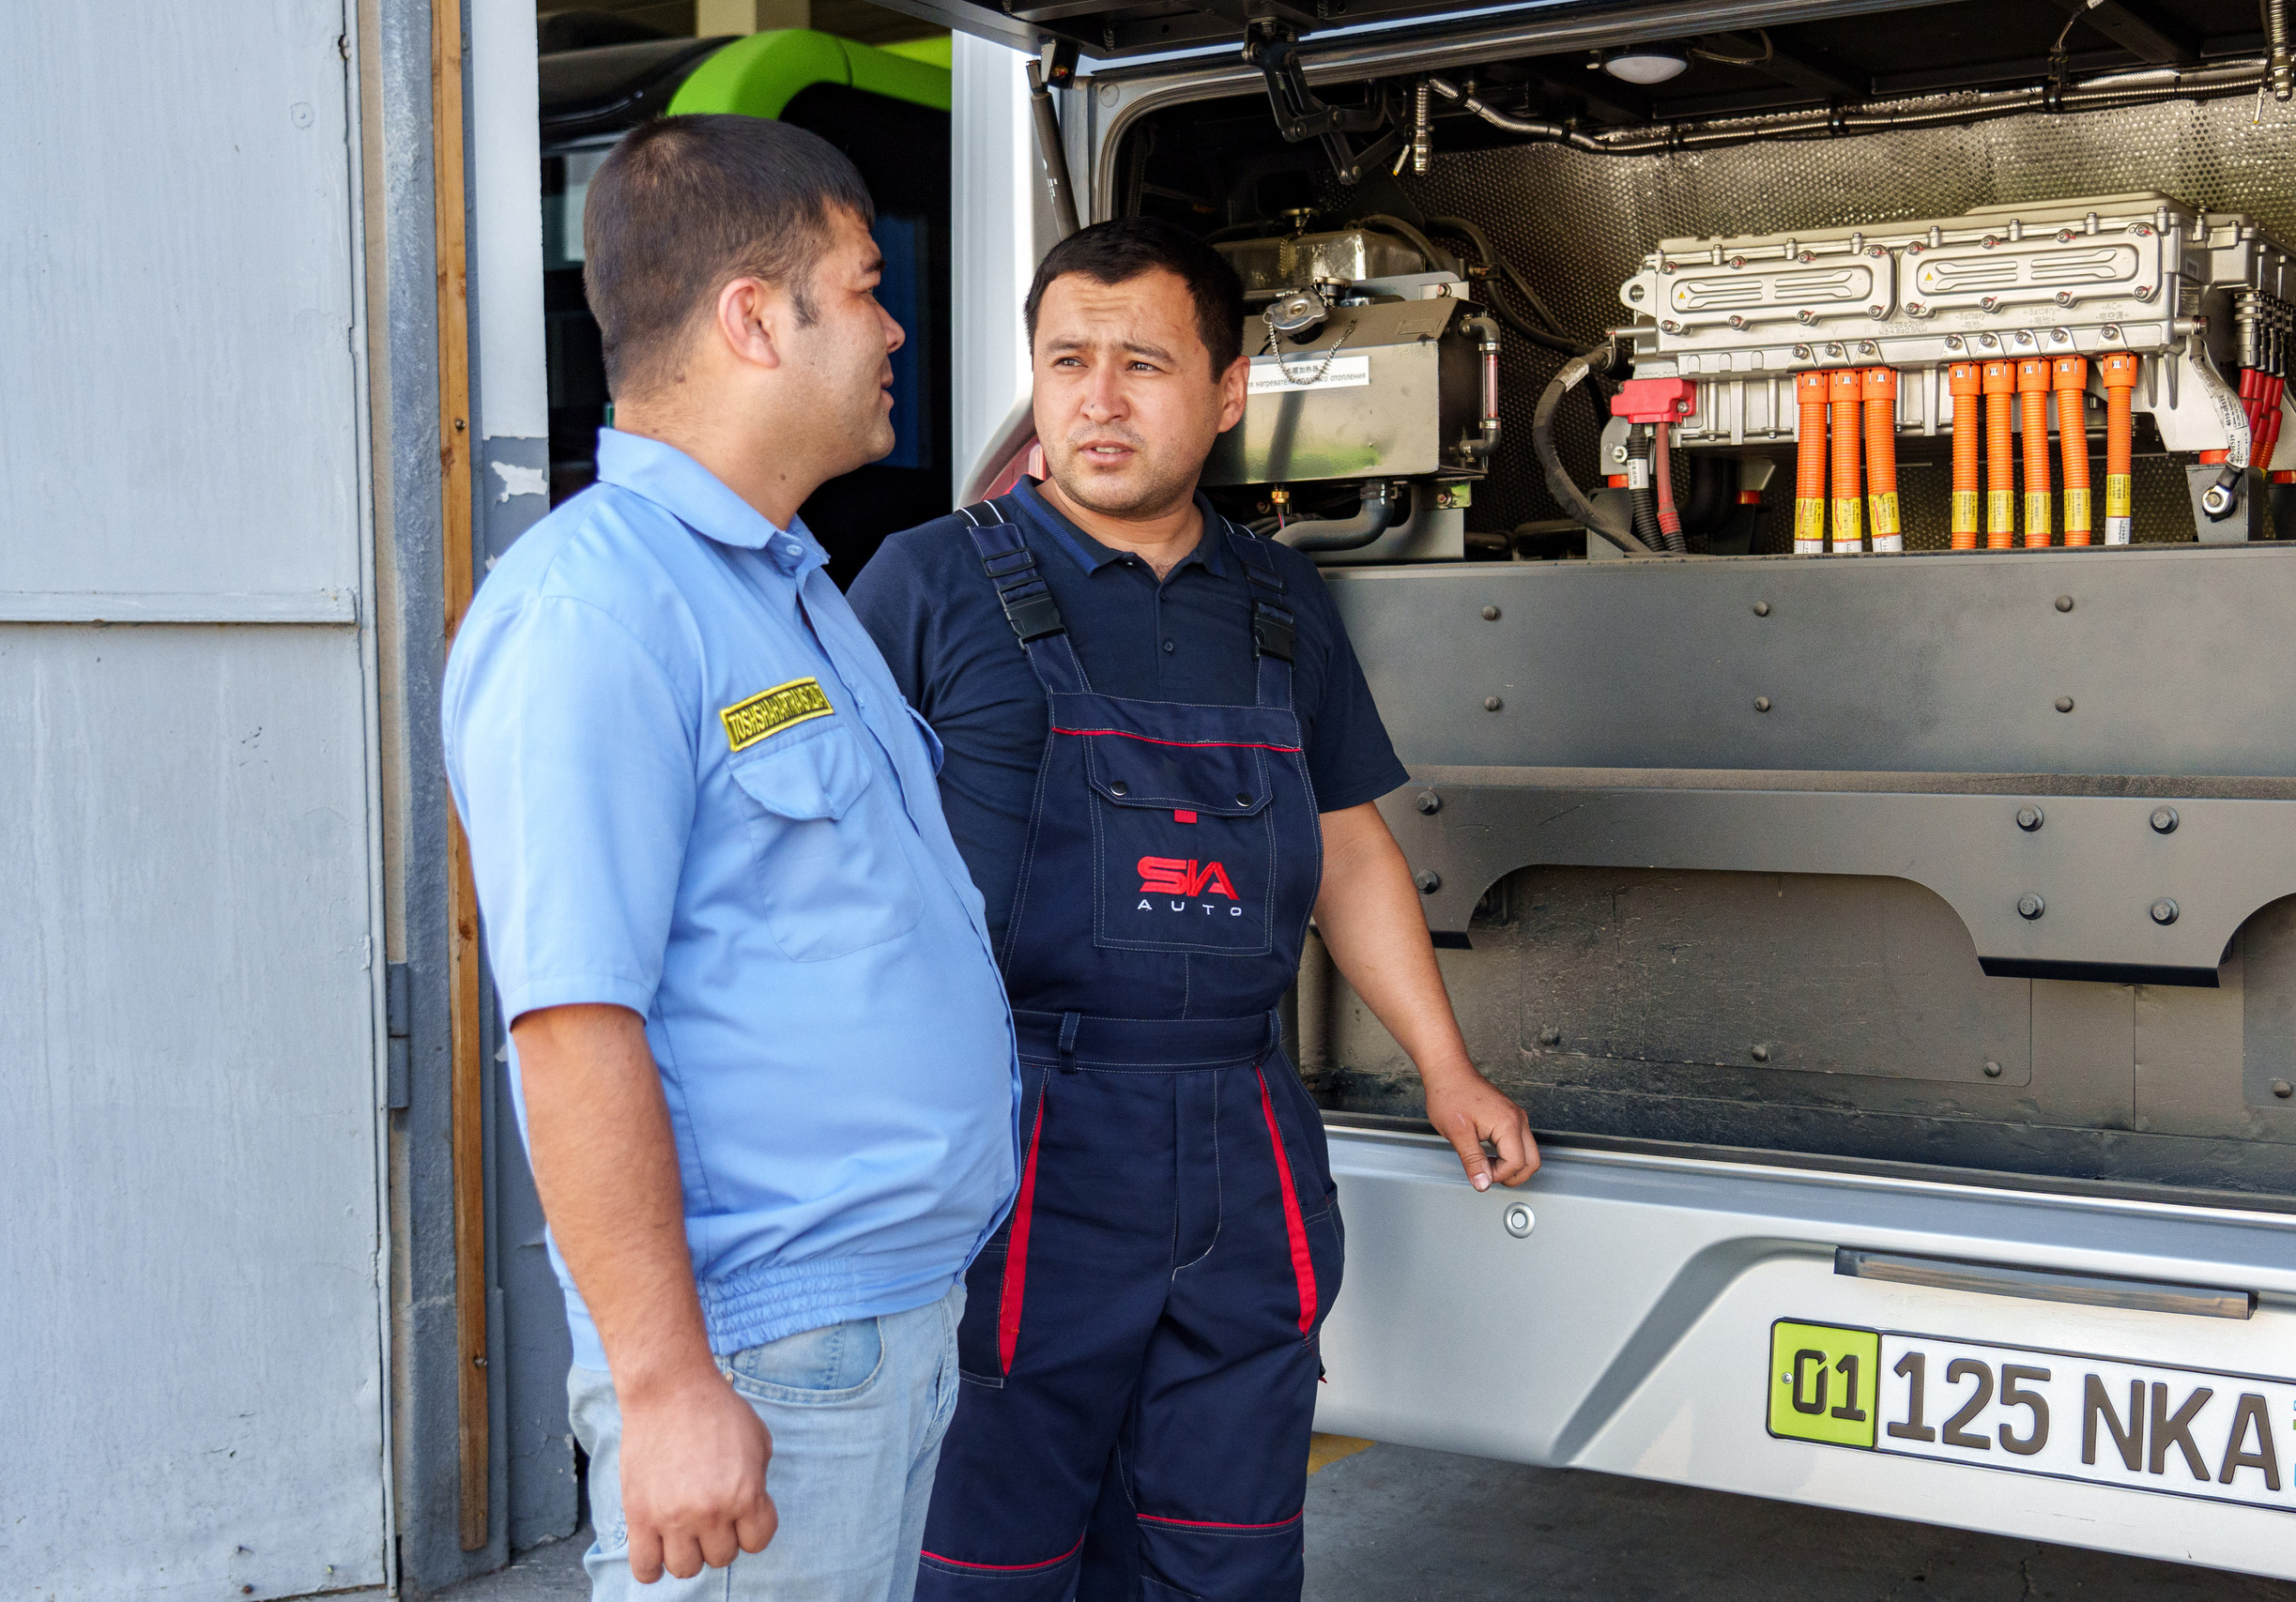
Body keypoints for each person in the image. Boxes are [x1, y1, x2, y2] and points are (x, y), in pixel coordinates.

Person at [850, 218, 1540, 1602]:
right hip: (1014, 1137)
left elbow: (1349, 853)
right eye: (1067, 362)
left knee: (1226, 1557)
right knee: (987, 1561)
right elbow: (824, 868)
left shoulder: (1280, 603)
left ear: (1229, 394)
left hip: (1240, 1132)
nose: (1098, 400)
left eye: (1143, 364)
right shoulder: (924, 584)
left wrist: (1446, 1067)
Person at [442, 115, 1018, 1602]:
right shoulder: (595, 611)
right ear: (755, 317)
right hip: (761, 1352)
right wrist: (666, 1387)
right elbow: (572, 1026)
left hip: (873, 1332)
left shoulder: (783, 587)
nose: (899, 325)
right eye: (868, 282)